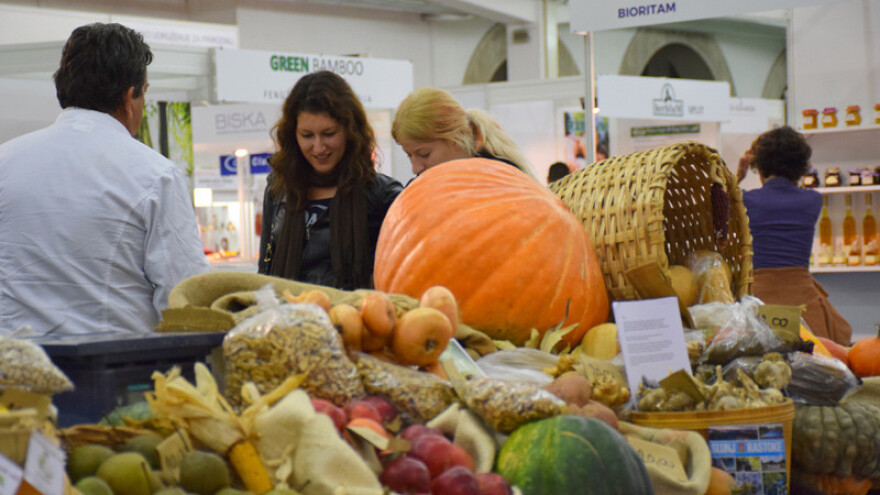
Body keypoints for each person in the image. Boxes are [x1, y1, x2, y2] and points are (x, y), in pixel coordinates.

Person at [0, 23, 209, 335]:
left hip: (13, 370)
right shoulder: (154, 174)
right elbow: (184, 296)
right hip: (115, 369)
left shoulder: (6, 161)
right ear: (129, 98)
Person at [258, 71, 403, 290]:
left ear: (350, 131)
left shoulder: (383, 196)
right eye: (307, 135)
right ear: (292, 135)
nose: (318, 147)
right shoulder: (278, 191)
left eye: (329, 134)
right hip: (286, 318)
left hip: (355, 321)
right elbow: (264, 273)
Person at [738, 126, 851, 344]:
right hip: (804, 302)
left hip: (759, 301)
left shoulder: (746, 200)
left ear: (759, 166)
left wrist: (739, 174)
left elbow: (718, 204)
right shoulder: (812, 200)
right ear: (801, 167)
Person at [391, 87, 537, 181]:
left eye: (424, 154)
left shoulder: (501, 182)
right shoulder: (423, 185)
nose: (415, 168)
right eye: (409, 155)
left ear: (456, 139)